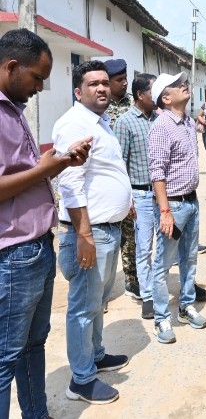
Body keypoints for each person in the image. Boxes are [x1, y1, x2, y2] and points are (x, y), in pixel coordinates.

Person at [0, 29, 91, 418]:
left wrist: (60, 161)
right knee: (5, 357)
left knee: (33, 345)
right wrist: (44, 169)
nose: (40, 87)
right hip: (13, 253)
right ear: (11, 67)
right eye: (37, 78)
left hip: (36, 246)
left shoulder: (14, 110)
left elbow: (20, 172)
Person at [53, 60, 133, 404]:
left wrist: (125, 201)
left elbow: (104, 172)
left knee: (98, 302)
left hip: (107, 229)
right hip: (89, 233)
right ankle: (81, 380)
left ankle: (95, 355)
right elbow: (70, 184)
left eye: (104, 82)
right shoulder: (74, 124)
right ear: (78, 91)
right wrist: (84, 236)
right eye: (92, 84)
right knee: (83, 307)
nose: (101, 88)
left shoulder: (100, 122)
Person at [148, 72, 206, 344]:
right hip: (172, 205)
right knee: (163, 263)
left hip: (191, 202)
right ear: (166, 98)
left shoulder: (187, 122)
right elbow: (157, 173)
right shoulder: (162, 126)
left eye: (183, 82)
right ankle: (161, 318)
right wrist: (164, 212)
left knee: (190, 258)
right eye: (176, 85)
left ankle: (186, 306)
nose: (184, 85)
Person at [114, 74, 159, 320]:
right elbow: (119, 164)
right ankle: (148, 296)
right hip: (140, 194)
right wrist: (127, 199)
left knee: (166, 245)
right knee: (143, 248)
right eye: (153, 90)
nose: (159, 94)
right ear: (140, 95)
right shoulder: (125, 122)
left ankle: (159, 289)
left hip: (163, 194)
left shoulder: (159, 119)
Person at [103, 58, 140, 300]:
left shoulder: (132, 104)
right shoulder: (100, 106)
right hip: (106, 180)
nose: (125, 83)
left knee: (130, 234)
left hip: (130, 178)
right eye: (119, 80)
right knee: (105, 240)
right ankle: (101, 292)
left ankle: (132, 279)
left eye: (125, 78)